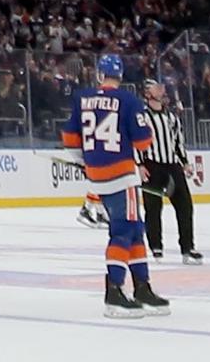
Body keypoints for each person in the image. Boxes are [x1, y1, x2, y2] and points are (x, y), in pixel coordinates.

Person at [77, 53, 167, 314]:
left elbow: (72, 139)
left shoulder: (85, 101)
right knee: (124, 230)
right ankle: (114, 290)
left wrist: (88, 162)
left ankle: (142, 286)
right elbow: (142, 142)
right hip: (123, 175)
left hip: (98, 175)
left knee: (136, 228)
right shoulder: (128, 101)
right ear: (121, 75)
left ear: (99, 75)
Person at [143, 69, 199, 263]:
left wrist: (185, 163)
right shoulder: (142, 117)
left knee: (185, 206)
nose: (161, 89)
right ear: (147, 92)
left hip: (172, 165)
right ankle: (156, 247)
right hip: (151, 165)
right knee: (153, 208)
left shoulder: (171, 117)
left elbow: (178, 142)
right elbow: (135, 142)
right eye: (156, 87)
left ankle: (187, 248)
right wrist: (139, 165)